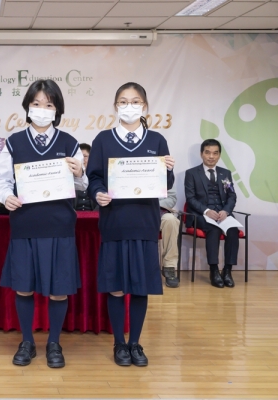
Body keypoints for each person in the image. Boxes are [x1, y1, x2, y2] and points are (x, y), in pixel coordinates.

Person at [0, 79, 88, 369]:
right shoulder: (14, 142)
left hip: (60, 226)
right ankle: (27, 342)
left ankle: (54, 342)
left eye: (48, 104)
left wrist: (79, 172)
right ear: (27, 107)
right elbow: (1, 180)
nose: (42, 109)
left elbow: (82, 185)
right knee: (24, 287)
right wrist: (6, 196)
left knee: (59, 289)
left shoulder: (70, 142)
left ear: (57, 109)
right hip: (25, 225)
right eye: (36, 104)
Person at [87, 82, 175, 367]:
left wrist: (168, 170)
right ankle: (119, 343)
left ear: (144, 106)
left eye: (135, 101)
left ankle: (135, 343)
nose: (129, 106)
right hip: (114, 222)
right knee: (115, 287)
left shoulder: (157, 140)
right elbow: (94, 177)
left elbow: (165, 183)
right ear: (116, 106)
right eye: (123, 101)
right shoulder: (103, 139)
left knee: (140, 287)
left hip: (144, 223)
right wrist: (98, 193)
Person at [184, 139, 238, 289]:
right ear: (202, 154)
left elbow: (231, 195)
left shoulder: (225, 174)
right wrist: (207, 211)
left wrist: (226, 211)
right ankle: (214, 270)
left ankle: (227, 271)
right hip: (201, 215)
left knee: (233, 230)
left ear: (219, 155)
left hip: (222, 214)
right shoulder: (191, 173)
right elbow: (190, 198)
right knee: (213, 229)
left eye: (215, 153)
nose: (211, 156)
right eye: (208, 153)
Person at [159, 186, 180, 288]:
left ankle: (169, 266)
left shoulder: (165, 176)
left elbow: (171, 198)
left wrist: (153, 205)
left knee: (171, 220)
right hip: (137, 211)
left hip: (159, 210)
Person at [74, 143, 97, 211]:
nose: (82, 159)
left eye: (85, 156)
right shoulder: (69, 178)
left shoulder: (96, 176)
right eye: (79, 156)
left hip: (94, 215)